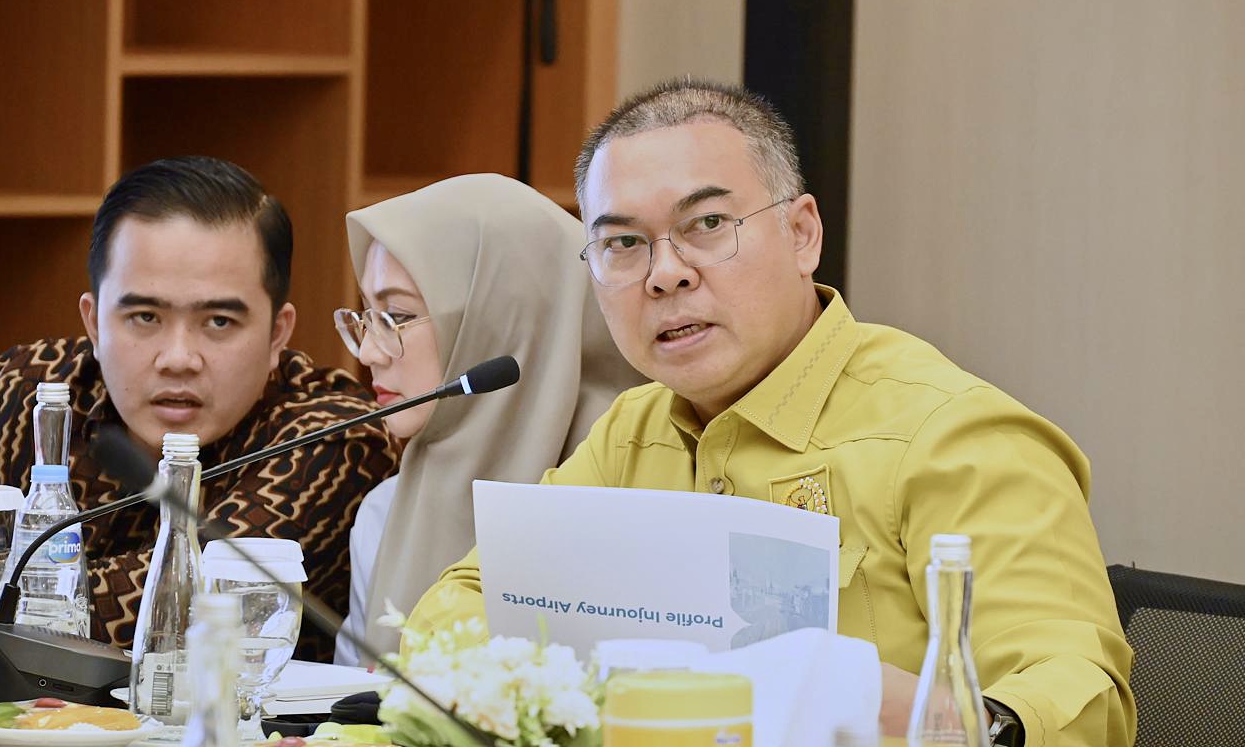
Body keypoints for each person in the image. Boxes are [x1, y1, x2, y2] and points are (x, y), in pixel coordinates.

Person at [408, 80, 1136, 746]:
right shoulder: (634, 430)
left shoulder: (953, 435)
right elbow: (456, 611)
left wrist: (951, 722)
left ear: (802, 234)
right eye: (623, 243)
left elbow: (1081, 700)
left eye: (707, 223)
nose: (665, 274)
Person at [0, 156, 399, 660]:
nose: (178, 359)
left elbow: (176, 613)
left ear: (278, 334)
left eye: (218, 322)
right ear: (94, 323)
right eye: (145, 316)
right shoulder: (24, 392)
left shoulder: (336, 439)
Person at [334, 173, 642, 662]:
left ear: (503, 321)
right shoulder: (384, 512)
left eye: (397, 317)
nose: (370, 351)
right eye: (367, 316)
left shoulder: (637, 491)